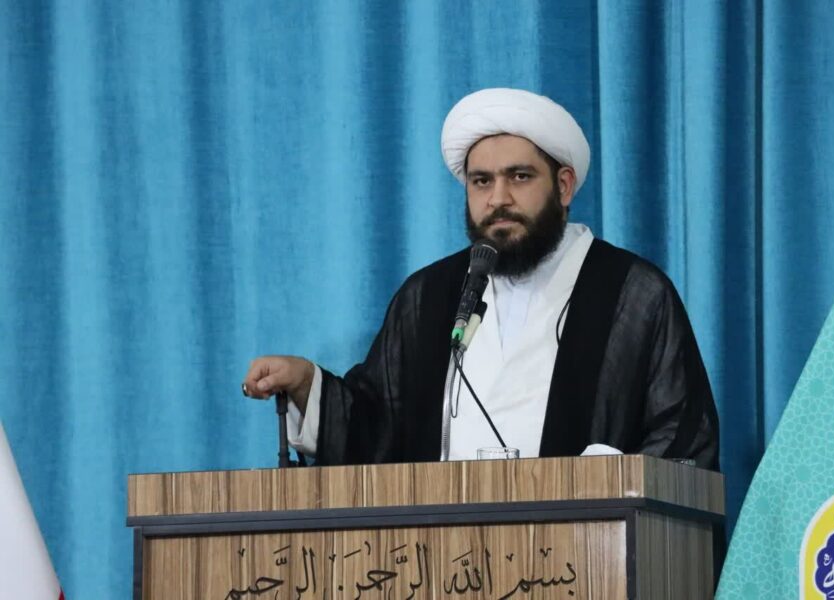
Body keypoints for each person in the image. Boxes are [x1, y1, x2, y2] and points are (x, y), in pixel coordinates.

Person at [242, 88, 720, 469]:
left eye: (520, 177)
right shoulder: (428, 296)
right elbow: (376, 427)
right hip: (443, 554)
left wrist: (606, 483)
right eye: (482, 181)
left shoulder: (631, 294)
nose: (498, 199)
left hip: (587, 553)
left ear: (564, 185)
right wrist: (307, 384)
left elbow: (683, 438)